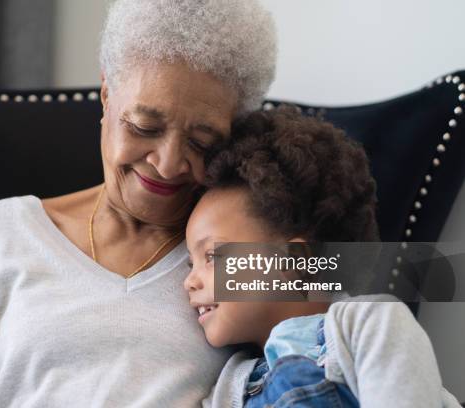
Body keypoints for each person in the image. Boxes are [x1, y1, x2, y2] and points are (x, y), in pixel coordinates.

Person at [0, 0, 277, 407]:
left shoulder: (240, 253)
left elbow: (346, 310)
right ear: (107, 95)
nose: (168, 163)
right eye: (146, 126)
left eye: (202, 142)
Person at [184, 107, 461, 407]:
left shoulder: (368, 325)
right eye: (190, 263)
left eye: (211, 256)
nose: (188, 281)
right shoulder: (228, 387)